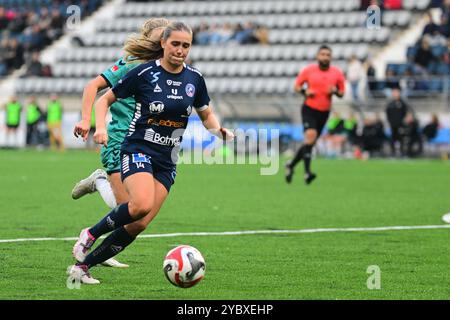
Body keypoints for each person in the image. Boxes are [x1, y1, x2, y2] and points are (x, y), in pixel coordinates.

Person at [67, 21, 234, 284]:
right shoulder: (143, 71)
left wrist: (218, 130)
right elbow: (104, 97)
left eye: (185, 45)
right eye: (175, 44)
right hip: (137, 147)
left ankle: (82, 267)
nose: (180, 50)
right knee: (138, 205)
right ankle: (90, 234)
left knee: (138, 223)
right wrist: (98, 126)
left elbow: (206, 114)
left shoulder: (195, 78)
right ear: (163, 44)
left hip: (167, 159)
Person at [71, 18, 170, 268]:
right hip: (119, 139)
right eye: (161, 38)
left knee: (136, 212)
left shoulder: (168, 69)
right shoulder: (131, 64)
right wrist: (87, 120)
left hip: (146, 145)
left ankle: (102, 252)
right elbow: (94, 86)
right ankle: (100, 180)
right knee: (128, 207)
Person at [285, 45, 345, 184]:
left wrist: (335, 91)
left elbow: (342, 92)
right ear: (318, 56)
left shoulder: (336, 73)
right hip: (309, 109)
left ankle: (291, 165)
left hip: (324, 111)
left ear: (331, 57)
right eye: (322, 54)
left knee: (309, 143)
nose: (325, 57)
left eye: (327, 55)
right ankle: (307, 173)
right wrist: (305, 91)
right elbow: (297, 86)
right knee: (310, 138)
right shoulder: (309, 71)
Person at [385, 88, 410, 156]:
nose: (395, 94)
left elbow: (406, 112)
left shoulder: (402, 103)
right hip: (393, 125)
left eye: (397, 92)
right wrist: (390, 121)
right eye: (394, 93)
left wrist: (404, 120)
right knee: (393, 139)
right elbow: (387, 113)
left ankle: (402, 153)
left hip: (401, 125)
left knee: (401, 138)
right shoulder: (390, 104)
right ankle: (392, 153)